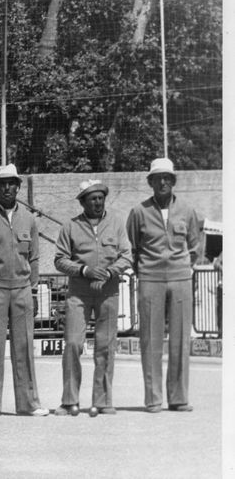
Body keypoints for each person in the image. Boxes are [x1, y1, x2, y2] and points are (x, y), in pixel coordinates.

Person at [0, 163, 48, 418]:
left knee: (24, 346)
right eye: (2, 184)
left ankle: (29, 402)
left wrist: (33, 291)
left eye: (11, 184)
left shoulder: (29, 219)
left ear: (18, 187)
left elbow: (34, 258)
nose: (7, 188)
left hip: (23, 290)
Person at [52, 180, 132, 417]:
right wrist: (84, 271)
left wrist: (108, 273)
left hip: (108, 291)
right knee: (73, 343)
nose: (97, 202)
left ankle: (103, 401)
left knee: (105, 345)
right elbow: (60, 259)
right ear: (82, 202)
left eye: (100, 198)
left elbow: (126, 256)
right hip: (79, 293)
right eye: (92, 199)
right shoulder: (70, 226)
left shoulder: (116, 223)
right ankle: (69, 401)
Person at [126, 157, 200, 413]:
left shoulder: (187, 210)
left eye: (167, 178)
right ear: (150, 182)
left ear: (173, 181)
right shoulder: (139, 211)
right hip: (150, 278)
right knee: (150, 339)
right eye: (157, 178)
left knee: (180, 338)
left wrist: (182, 268)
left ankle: (178, 398)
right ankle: (153, 398)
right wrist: (145, 271)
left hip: (180, 278)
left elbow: (194, 246)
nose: (163, 182)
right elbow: (133, 247)